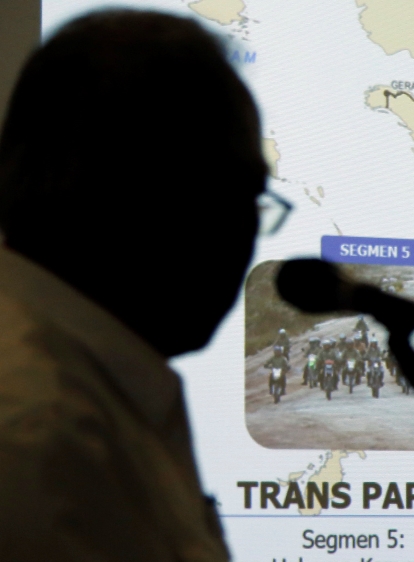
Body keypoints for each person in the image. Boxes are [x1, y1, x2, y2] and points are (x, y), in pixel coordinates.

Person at [0, 10, 270, 561]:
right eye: (240, 195)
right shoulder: (43, 436)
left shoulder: (78, 386)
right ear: (153, 195)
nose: (247, 234)